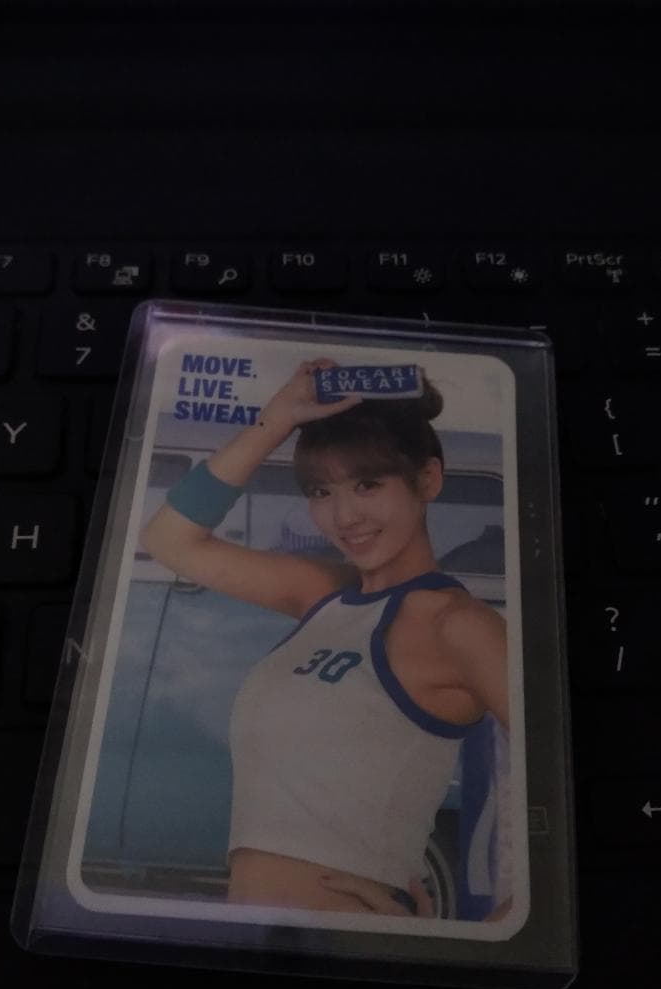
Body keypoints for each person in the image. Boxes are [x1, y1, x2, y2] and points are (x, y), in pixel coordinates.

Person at [140, 359, 509, 919]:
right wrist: (278, 418)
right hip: (251, 936)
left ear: (428, 480)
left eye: (367, 484)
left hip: (348, 949)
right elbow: (169, 539)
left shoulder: (457, 624)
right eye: (320, 491)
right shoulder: (325, 595)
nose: (344, 516)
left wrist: (480, 942)